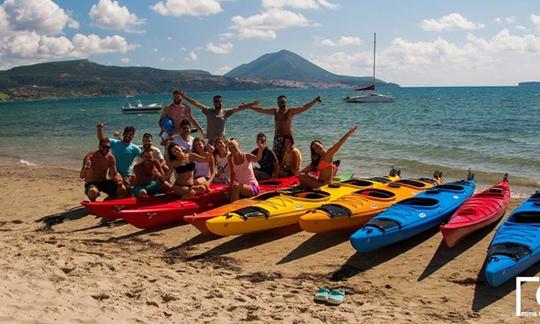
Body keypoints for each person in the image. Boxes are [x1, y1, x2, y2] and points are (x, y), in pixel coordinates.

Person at [250, 95, 321, 163]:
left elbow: (303, 108)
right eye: (280, 102)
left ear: (286, 102)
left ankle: (290, 173)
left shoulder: (290, 112)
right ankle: (277, 173)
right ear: (277, 103)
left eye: (283, 102)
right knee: (276, 158)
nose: (282, 104)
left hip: (287, 139)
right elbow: (262, 110)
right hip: (277, 138)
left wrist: (314, 101)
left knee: (288, 157)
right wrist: (249, 107)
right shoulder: (275, 111)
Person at [182, 93, 260, 145]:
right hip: (211, 142)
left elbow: (238, 108)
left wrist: (251, 104)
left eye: (219, 101)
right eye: (216, 101)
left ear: (222, 102)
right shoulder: (208, 111)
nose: (217, 103)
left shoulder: (225, 112)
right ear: (213, 103)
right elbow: (196, 103)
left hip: (222, 142)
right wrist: (185, 97)